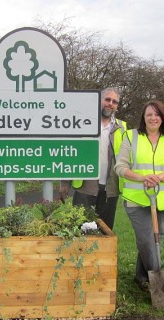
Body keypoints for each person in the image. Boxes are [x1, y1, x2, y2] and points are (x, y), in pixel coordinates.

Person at [115, 100, 164, 290]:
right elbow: (120, 167)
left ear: (163, 118)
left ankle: (141, 277)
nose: (153, 118)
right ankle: (159, 282)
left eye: (157, 114)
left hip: (161, 200)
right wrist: (142, 177)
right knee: (147, 240)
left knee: (156, 239)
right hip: (136, 200)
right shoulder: (131, 137)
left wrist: (159, 177)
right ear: (143, 118)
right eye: (149, 115)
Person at [59, 87, 127, 229]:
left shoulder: (122, 128)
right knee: (80, 228)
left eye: (114, 101)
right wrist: (65, 182)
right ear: (99, 100)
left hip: (111, 189)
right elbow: (71, 152)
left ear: (117, 106)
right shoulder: (83, 122)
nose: (110, 103)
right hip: (85, 186)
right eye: (107, 99)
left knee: (105, 231)